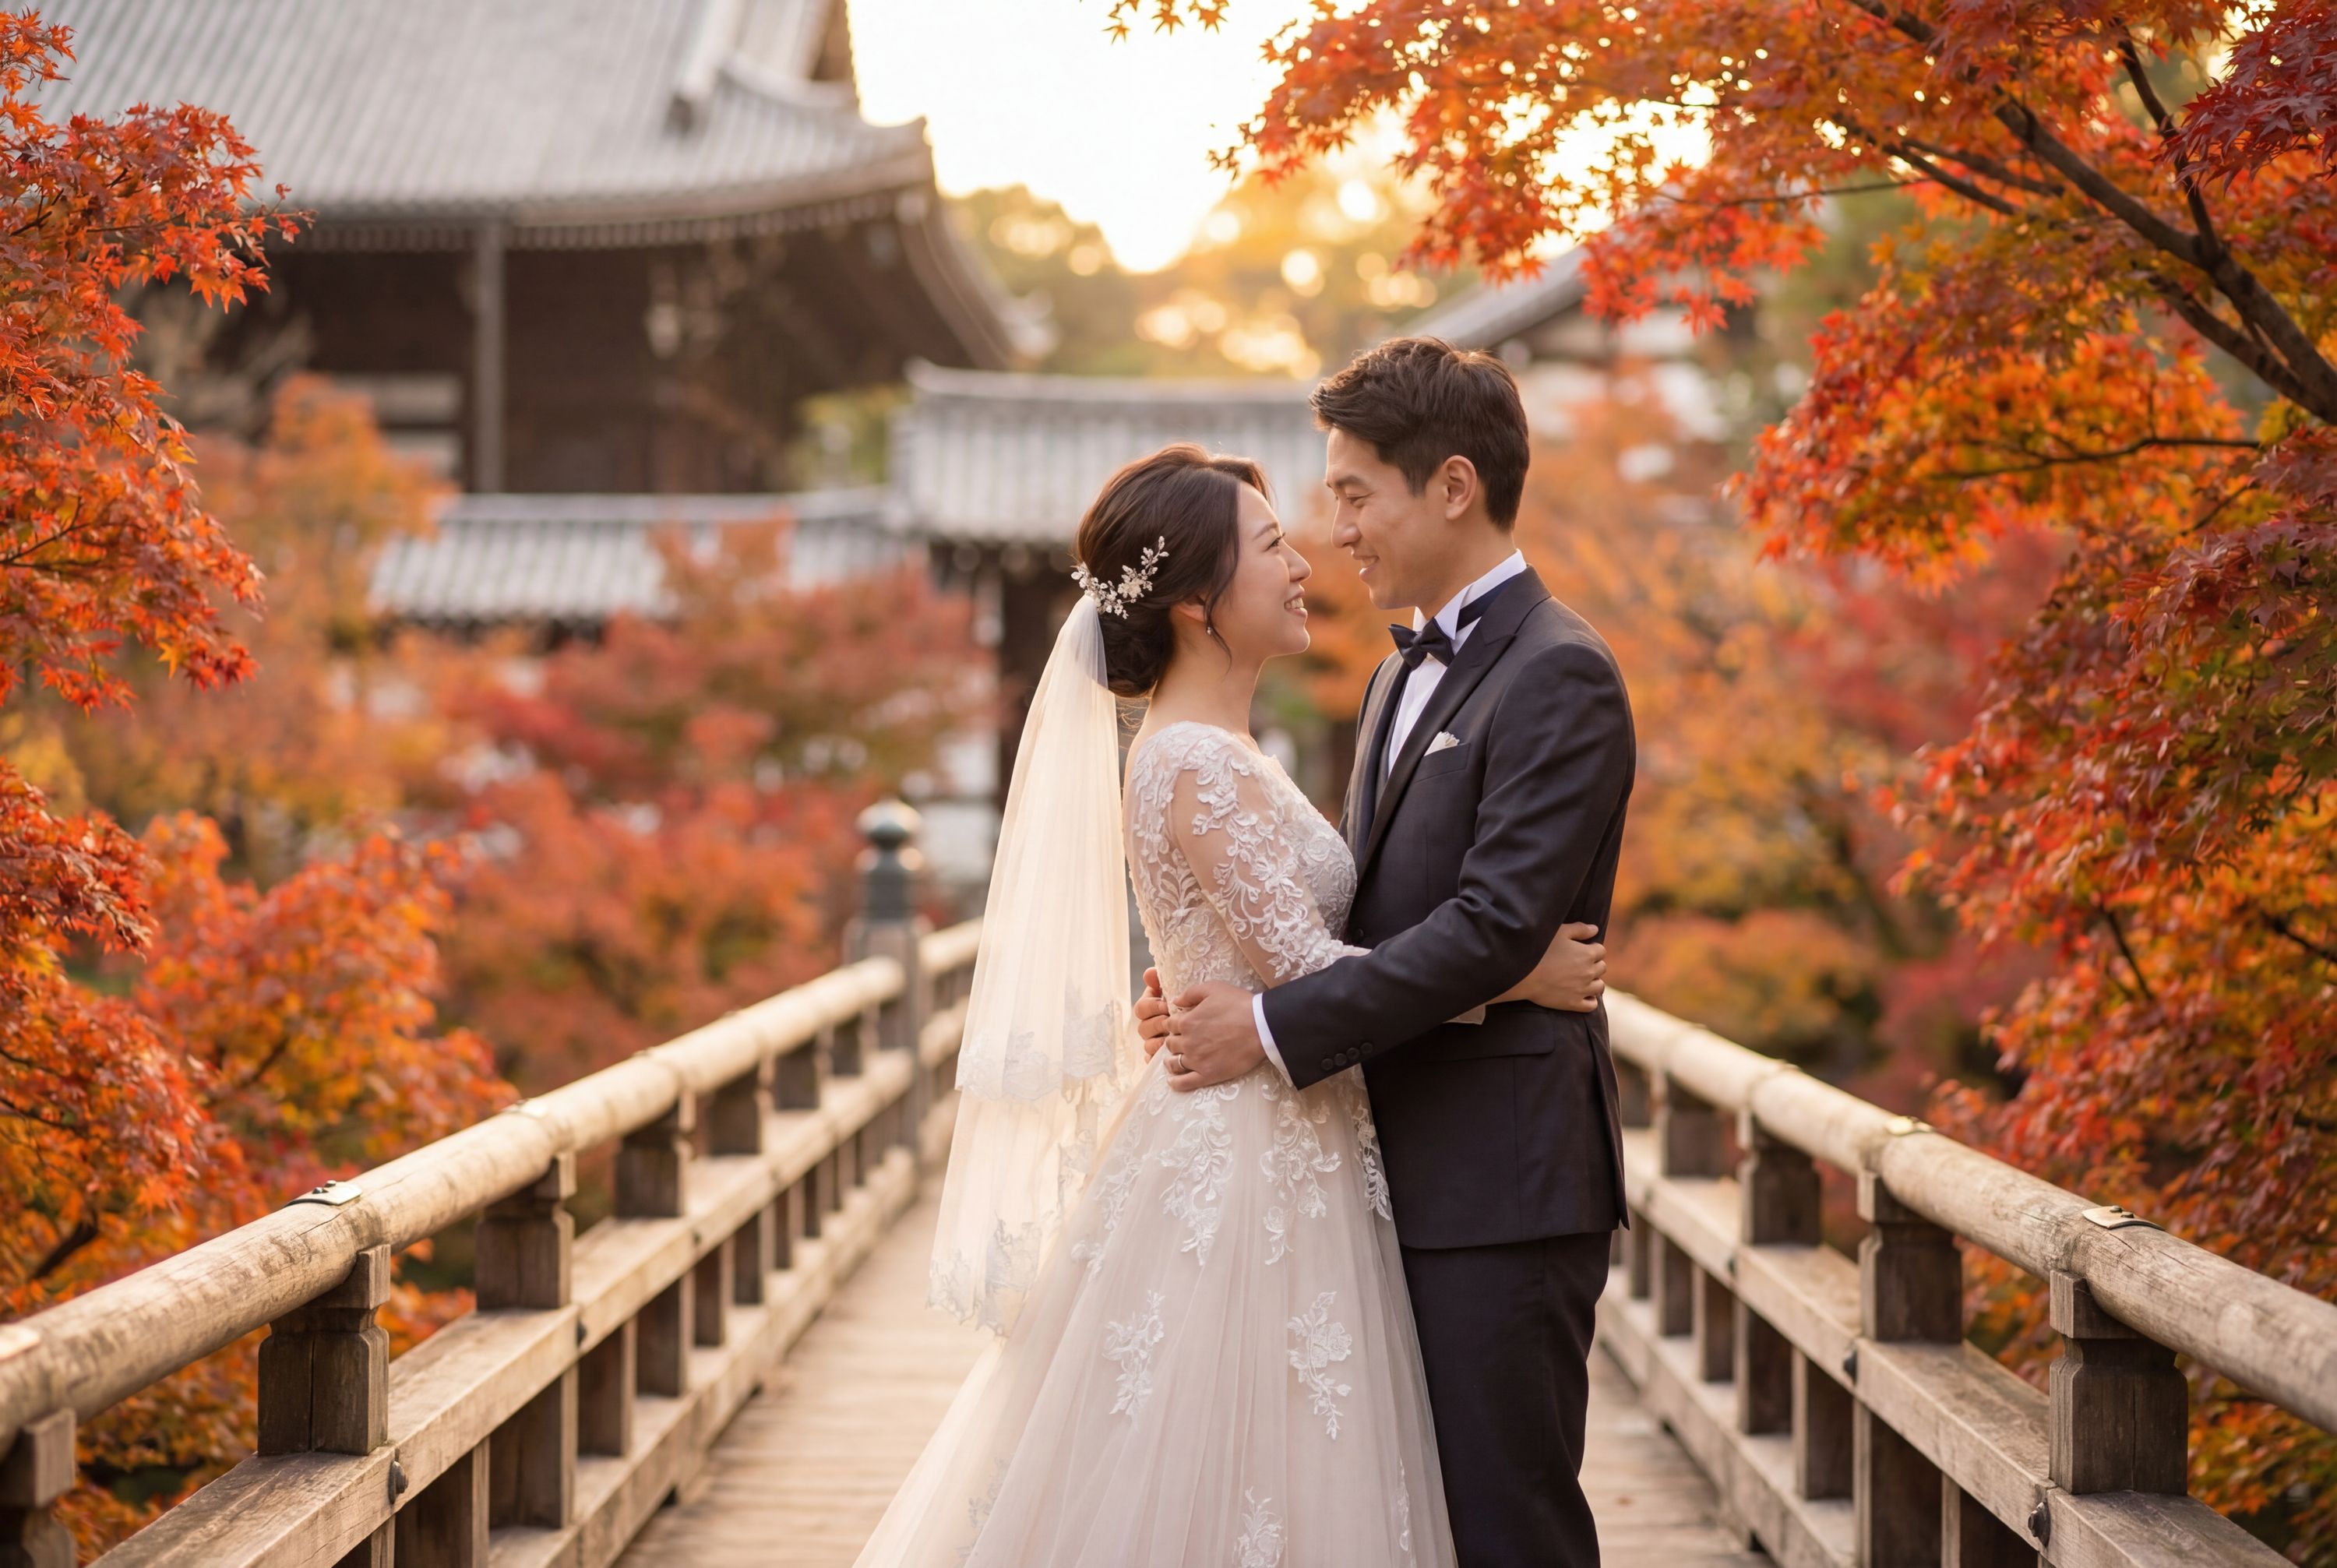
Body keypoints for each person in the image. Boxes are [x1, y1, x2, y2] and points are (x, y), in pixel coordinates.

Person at [854, 439, 1606, 1567]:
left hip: (1296, 1122)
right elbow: (1305, 972)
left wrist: (1227, 996)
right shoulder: (1191, 760)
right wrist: (1511, 971)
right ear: (1199, 601)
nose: (1306, 558)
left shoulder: (1228, 748)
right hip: (1250, 1145)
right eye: (1271, 546)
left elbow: (1289, 950)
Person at [1137, 338, 1635, 1568]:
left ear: (1452, 486)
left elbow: (1490, 923)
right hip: (1364, 1173)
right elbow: (1367, 934)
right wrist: (1221, 984)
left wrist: (1260, 1027)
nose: (1335, 526)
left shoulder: (1559, 674)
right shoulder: (1392, 679)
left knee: (1505, 1525)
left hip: (1496, 1187)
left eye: (1356, 492)